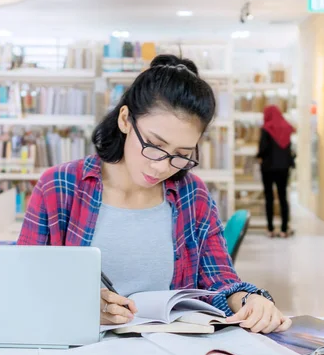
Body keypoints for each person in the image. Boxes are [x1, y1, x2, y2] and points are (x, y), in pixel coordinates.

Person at [17, 54, 291, 334]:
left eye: (181, 155)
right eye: (154, 145)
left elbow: (219, 278)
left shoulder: (192, 195)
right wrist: (78, 305)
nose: (161, 166)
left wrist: (249, 300)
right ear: (125, 120)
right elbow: (22, 284)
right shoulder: (59, 187)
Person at [256, 105, 295, 238]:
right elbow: (289, 149)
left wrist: (258, 156)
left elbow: (263, 149)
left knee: (269, 198)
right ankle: (284, 229)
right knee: (283, 197)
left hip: (268, 168)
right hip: (284, 169)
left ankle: (271, 229)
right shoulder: (286, 127)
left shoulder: (266, 129)